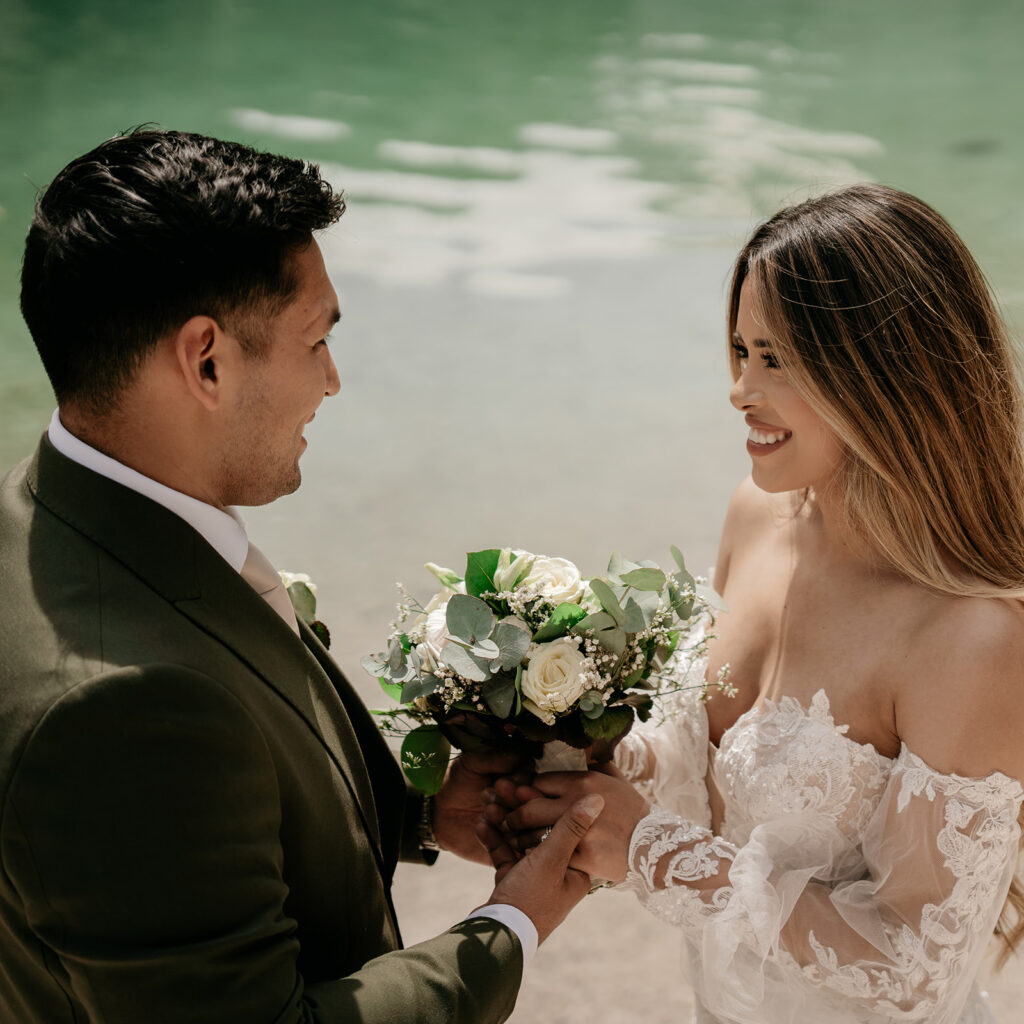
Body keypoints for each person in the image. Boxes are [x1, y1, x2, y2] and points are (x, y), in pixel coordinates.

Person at [0, 127, 605, 1024]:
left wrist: (420, 811)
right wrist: (517, 919)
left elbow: (177, 820)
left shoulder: (53, 516)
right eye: (315, 339)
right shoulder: (118, 709)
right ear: (205, 360)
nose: (332, 379)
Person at [489, 184, 1024, 1023]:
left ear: (881, 370)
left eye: (775, 358)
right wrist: (593, 770)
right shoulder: (756, 514)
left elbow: (915, 968)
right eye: (740, 350)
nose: (740, 388)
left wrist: (653, 852)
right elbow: (713, 769)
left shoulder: (972, 638)